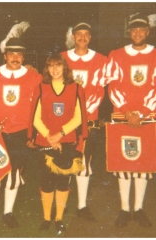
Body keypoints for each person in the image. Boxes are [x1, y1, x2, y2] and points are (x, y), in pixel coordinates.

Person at [0, 33, 42, 228]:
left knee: (14, 173)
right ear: (4, 55)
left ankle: (8, 213)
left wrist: (33, 134)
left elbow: (39, 108)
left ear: (24, 56)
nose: (15, 58)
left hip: (20, 133)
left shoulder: (34, 78)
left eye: (19, 54)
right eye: (11, 54)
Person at [27, 53, 88, 236]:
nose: (55, 69)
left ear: (65, 68)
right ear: (47, 68)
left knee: (62, 183)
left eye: (58, 65)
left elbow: (79, 117)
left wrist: (60, 135)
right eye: (51, 66)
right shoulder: (41, 88)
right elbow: (35, 118)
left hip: (67, 141)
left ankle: (59, 218)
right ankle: (47, 218)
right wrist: (49, 137)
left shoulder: (76, 88)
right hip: (45, 142)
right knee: (46, 183)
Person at [105, 13, 156, 227]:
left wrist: (142, 112)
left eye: (141, 29)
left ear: (148, 31)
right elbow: (112, 85)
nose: (137, 33)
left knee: (143, 164)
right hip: (121, 117)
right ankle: (125, 209)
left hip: (148, 117)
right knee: (124, 163)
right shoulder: (116, 55)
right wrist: (127, 111)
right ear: (129, 32)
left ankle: (139, 209)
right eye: (133, 29)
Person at [61, 21, 107, 221]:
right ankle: (61, 204)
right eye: (78, 34)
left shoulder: (101, 60)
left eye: (86, 34)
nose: (82, 38)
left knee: (84, 163)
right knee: (63, 161)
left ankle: (82, 206)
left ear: (90, 37)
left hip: (88, 120)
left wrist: (83, 115)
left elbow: (100, 90)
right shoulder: (62, 58)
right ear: (73, 37)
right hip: (64, 121)